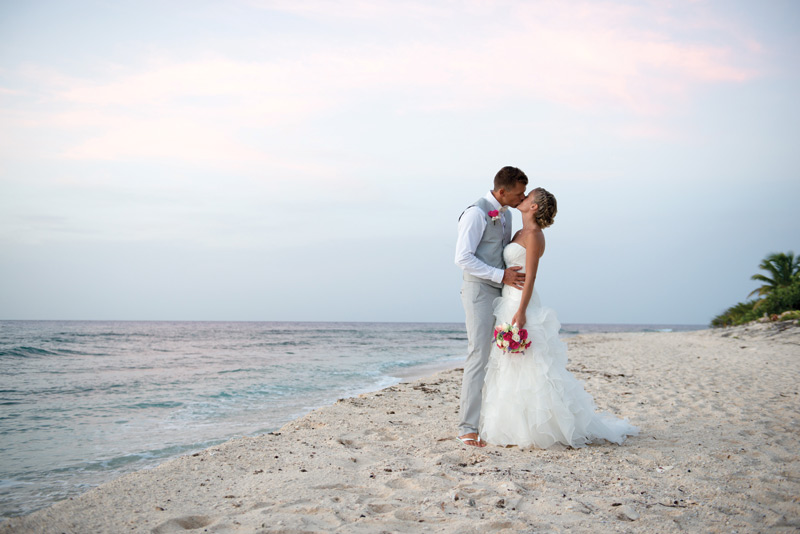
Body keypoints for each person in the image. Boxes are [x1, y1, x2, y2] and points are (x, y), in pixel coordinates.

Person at [480, 188, 639, 448]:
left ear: (534, 207)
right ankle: (512, 425)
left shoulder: (534, 236)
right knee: (509, 363)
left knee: (532, 362)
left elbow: (531, 276)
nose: (522, 198)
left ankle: (539, 427)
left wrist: (521, 311)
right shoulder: (518, 232)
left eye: (527, 196)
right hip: (507, 297)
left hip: (520, 302)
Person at [454, 166, 528, 447]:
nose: (521, 198)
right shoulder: (475, 213)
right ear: (501, 192)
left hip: (503, 292)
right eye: (518, 193)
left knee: (501, 357)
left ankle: (493, 423)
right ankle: (467, 428)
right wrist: (501, 276)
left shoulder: (507, 214)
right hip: (479, 290)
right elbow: (463, 258)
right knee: (478, 355)